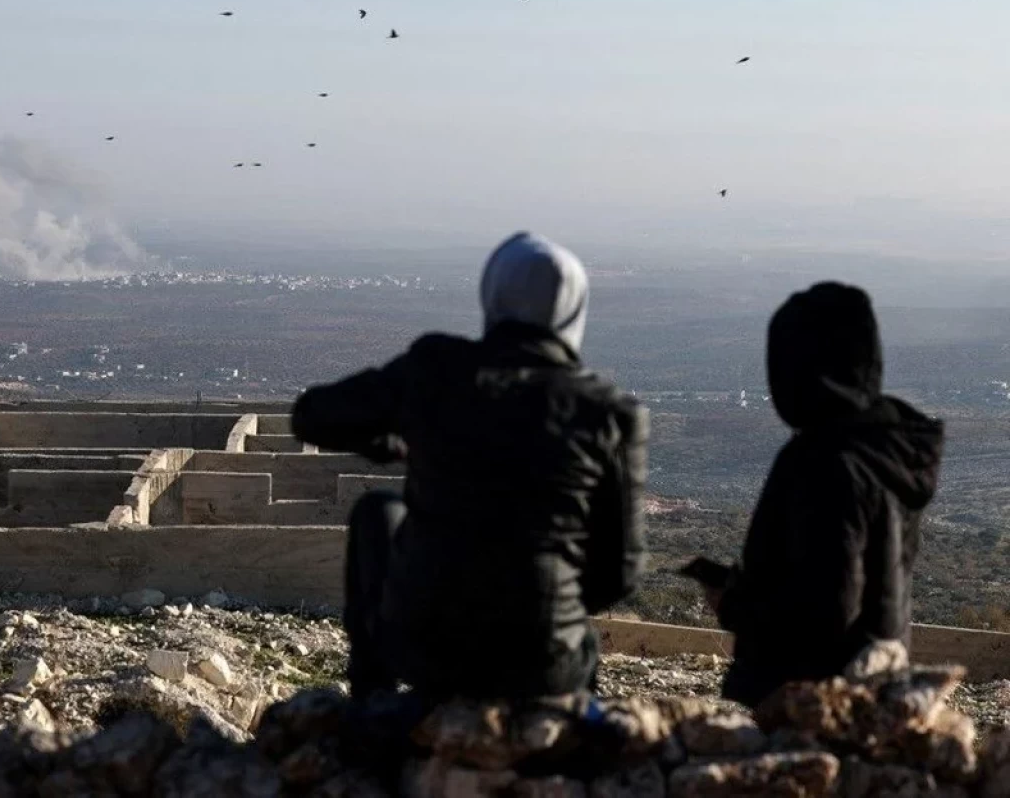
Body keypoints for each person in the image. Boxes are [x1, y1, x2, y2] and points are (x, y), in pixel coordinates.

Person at [291, 232, 648, 702]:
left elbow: (313, 416)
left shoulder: (437, 369)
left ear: (493, 294)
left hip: (425, 646)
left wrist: (394, 439)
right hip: (542, 661)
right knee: (569, 620)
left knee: (378, 512)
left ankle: (372, 700)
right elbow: (619, 572)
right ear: (574, 312)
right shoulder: (610, 412)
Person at [708, 282, 944, 707]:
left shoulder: (823, 462)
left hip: (806, 703)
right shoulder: (887, 448)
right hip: (874, 690)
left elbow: (823, 612)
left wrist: (735, 604)